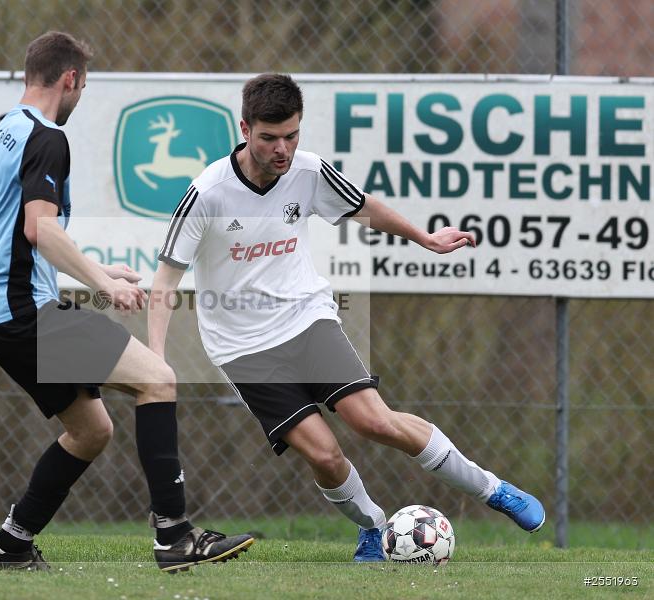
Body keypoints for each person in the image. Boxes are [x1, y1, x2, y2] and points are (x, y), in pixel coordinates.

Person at [148, 73, 544, 562]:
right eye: (270, 138)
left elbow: (363, 207)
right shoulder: (207, 193)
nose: (282, 149)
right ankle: (373, 529)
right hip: (242, 347)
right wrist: (156, 361)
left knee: (374, 421)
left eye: (291, 136)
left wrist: (425, 238)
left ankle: (491, 489)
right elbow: (165, 281)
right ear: (245, 128)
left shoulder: (309, 172)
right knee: (324, 454)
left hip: (307, 319)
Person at [0, 30, 253, 573]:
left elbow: (20, 233)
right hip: (21, 309)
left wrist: (98, 269)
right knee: (158, 379)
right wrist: (104, 285)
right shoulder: (49, 137)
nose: (80, 96)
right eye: (83, 85)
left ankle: (11, 542)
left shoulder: (5, 130)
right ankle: (175, 537)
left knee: (91, 430)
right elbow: (39, 231)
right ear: (70, 78)